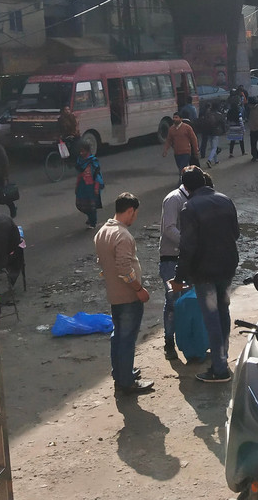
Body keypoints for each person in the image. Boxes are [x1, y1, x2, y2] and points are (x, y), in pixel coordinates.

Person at [176, 166, 240, 382]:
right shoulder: (225, 200)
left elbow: (187, 248)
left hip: (204, 273)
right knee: (223, 313)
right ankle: (222, 359)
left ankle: (219, 369)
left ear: (185, 187)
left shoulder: (189, 208)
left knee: (212, 318)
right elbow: (236, 233)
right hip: (227, 267)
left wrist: (179, 277)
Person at [94, 193, 154, 395]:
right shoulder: (122, 235)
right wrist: (138, 289)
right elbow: (124, 268)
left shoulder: (102, 232)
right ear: (130, 211)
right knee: (127, 338)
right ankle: (126, 381)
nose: (134, 218)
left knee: (118, 336)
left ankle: (121, 373)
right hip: (128, 296)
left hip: (114, 294)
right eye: (135, 214)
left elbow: (103, 262)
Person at [158, 171, 196, 361]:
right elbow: (169, 228)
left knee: (188, 300)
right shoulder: (174, 199)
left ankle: (187, 340)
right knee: (173, 300)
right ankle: (169, 342)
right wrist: (189, 243)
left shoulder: (192, 199)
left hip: (187, 258)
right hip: (171, 258)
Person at [73, 140, 104, 228]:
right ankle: (90, 217)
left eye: (83, 151)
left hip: (91, 186)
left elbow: (97, 174)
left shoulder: (93, 161)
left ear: (88, 151)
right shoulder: (79, 161)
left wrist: (96, 187)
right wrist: (77, 186)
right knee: (80, 204)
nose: (81, 153)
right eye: (80, 151)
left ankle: (93, 221)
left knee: (91, 206)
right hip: (82, 185)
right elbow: (79, 175)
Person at [162, 112, 199, 181]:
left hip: (186, 152)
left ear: (181, 119)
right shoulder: (171, 129)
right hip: (177, 153)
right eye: (174, 117)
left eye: (176, 117)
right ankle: (188, 179)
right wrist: (165, 150)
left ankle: (181, 182)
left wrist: (196, 150)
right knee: (180, 168)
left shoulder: (187, 128)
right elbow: (168, 140)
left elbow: (193, 139)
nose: (174, 119)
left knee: (182, 168)